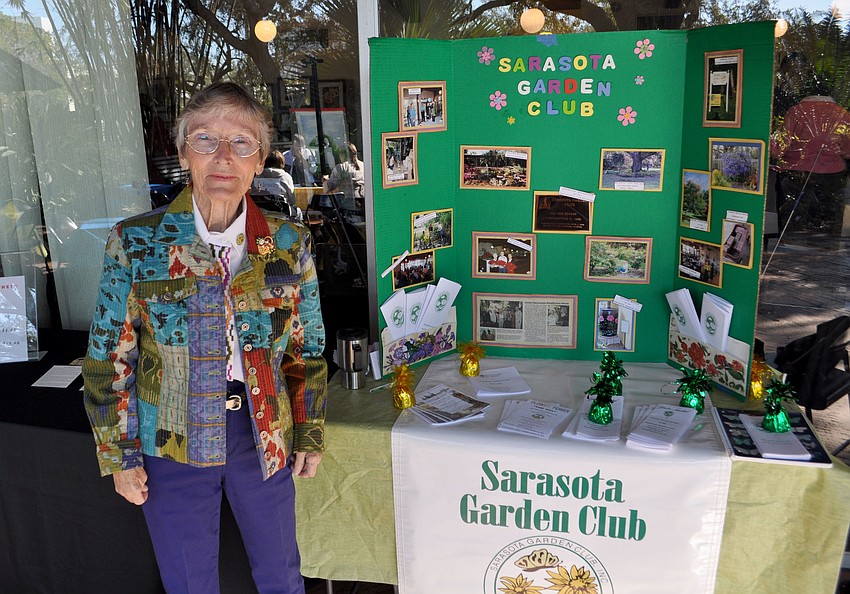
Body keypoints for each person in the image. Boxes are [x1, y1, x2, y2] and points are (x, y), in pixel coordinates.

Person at [82, 82, 327, 594]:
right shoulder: (136, 242)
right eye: (205, 139)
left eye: (241, 142)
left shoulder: (287, 242)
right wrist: (119, 455)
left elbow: (306, 350)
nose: (223, 157)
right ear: (182, 154)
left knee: (281, 573)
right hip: (170, 439)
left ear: (259, 160)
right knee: (188, 580)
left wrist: (309, 429)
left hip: (262, 432)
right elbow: (109, 358)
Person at [772, 85, 850, 233]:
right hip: (831, 172)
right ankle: (823, 247)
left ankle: (791, 243)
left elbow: (780, 146)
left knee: (792, 214)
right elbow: (847, 149)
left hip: (796, 171)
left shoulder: (795, 111)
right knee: (826, 214)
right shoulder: (842, 114)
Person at [324, 142, 365, 211]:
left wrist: (325, 180)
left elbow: (330, 187)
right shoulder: (363, 165)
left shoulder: (341, 167)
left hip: (348, 203)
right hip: (364, 200)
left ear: (342, 154)